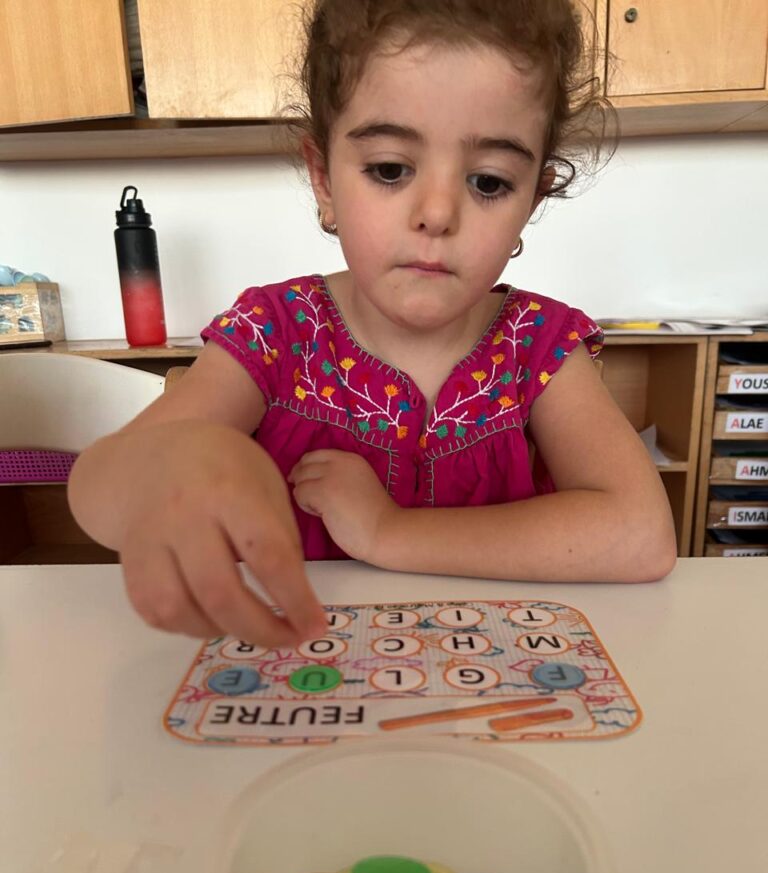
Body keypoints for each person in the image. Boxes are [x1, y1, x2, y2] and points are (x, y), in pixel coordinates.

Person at [68, 0, 677, 649]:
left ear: (532, 198)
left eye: (489, 182)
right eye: (390, 169)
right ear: (324, 180)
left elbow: (641, 536)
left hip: (490, 678)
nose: (438, 213)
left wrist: (389, 532)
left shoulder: (539, 344)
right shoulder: (276, 331)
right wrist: (175, 464)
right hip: (298, 671)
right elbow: (103, 492)